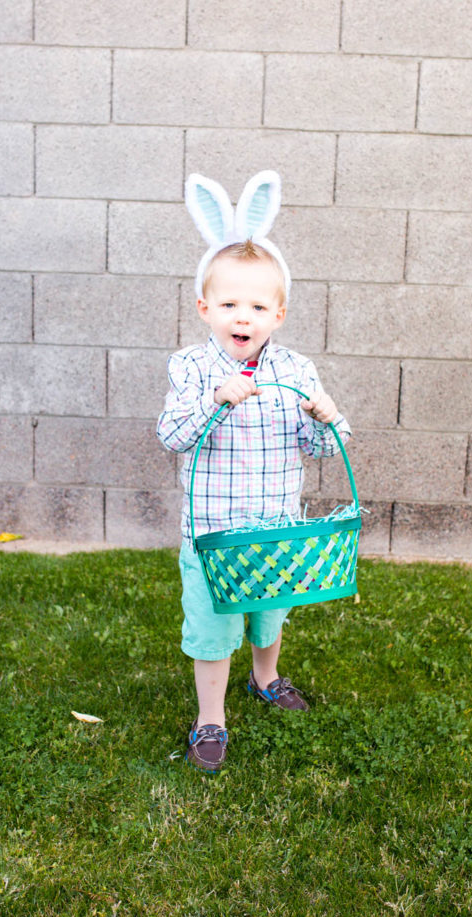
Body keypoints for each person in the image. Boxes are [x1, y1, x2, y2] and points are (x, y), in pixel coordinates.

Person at [157, 171, 351, 773]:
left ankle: (264, 677)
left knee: (270, 615)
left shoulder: (295, 368)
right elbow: (171, 434)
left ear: (279, 312)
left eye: (258, 306)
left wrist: (326, 416)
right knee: (214, 629)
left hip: (274, 527)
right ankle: (209, 716)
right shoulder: (190, 368)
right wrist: (216, 398)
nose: (243, 316)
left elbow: (323, 446)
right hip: (213, 532)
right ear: (204, 307)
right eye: (229, 304)